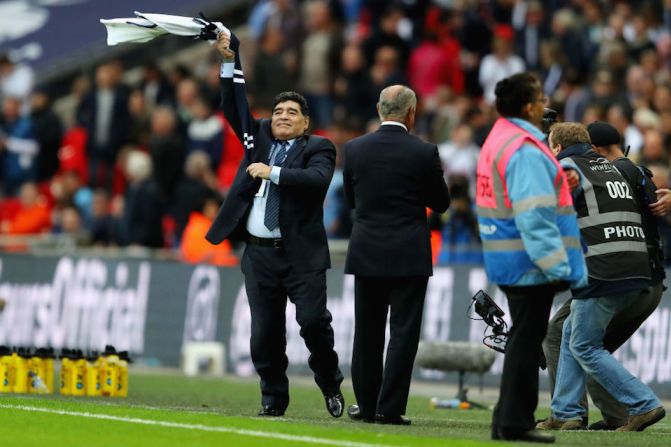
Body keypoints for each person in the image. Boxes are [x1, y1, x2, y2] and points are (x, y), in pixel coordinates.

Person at [205, 31, 344, 418]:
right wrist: (230, 60)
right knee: (265, 334)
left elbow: (317, 181)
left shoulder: (320, 148)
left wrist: (274, 172)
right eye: (278, 111)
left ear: (306, 124)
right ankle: (273, 399)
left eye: (292, 113)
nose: (282, 116)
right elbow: (234, 107)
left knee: (314, 323)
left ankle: (330, 381)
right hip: (260, 256)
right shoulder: (259, 140)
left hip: (301, 256)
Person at [475, 73, 587, 444]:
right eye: (540, 98)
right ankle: (514, 423)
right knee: (526, 343)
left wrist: (560, 176)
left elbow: (522, 191)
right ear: (528, 106)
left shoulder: (501, 138)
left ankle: (504, 420)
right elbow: (534, 217)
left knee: (523, 340)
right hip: (529, 262)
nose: (545, 103)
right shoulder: (524, 147)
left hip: (507, 256)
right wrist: (560, 267)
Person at [537, 122, 664, 433]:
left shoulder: (565, 167)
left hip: (602, 266)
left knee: (584, 345)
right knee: (568, 333)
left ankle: (643, 404)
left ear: (556, 147)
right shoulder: (614, 168)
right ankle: (566, 411)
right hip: (636, 266)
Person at [342, 85, 450, 426]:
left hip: (367, 251)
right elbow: (442, 202)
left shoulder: (355, 149)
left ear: (379, 109)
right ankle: (390, 409)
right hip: (409, 254)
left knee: (367, 332)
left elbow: (350, 199)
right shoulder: (424, 151)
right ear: (411, 113)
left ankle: (366, 405)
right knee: (403, 333)